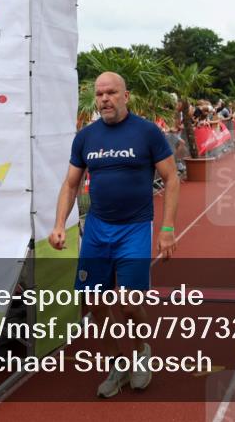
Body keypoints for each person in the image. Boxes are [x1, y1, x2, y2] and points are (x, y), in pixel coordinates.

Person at [48, 72, 179, 398]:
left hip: (134, 228)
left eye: (111, 92)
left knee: (130, 305)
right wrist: (59, 224)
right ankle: (119, 361)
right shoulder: (86, 137)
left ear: (126, 96)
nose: (105, 98)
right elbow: (71, 183)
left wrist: (167, 229)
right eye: (100, 93)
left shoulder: (147, 132)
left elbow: (172, 178)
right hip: (97, 229)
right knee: (93, 303)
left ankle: (140, 351)